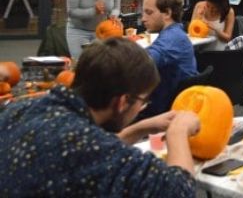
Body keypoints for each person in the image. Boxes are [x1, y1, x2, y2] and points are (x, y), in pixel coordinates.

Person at [0, 37, 200, 196]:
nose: (141, 108)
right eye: (142, 101)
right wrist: (177, 133)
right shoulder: (89, 148)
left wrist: (141, 128)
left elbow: (89, 148)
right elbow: (180, 190)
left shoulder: (21, 108)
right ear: (122, 102)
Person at [138, 0, 198, 120]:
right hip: (171, 104)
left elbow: (145, 60)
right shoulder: (176, 33)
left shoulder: (172, 38)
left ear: (167, 13)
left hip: (162, 111)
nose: (143, 19)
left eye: (149, 12)